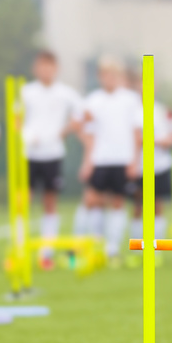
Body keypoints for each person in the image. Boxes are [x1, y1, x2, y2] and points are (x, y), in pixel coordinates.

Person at [21, 50, 84, 269]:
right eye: (41, 66)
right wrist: (25, 135)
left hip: (53, 153)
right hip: (28, 154)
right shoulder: (25, 91)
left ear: (56, 69)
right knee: (23, 201)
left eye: (49, 66)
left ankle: (45, 253)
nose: (45, 70)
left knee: (49, 202)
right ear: (35, 68)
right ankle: (20, 249)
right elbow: (15, 119)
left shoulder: (66, 93)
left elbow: (82, 115)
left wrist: (64, 131)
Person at [80, 56, 143, 267]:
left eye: (114, 75)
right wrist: (88, 161)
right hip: (100, 158)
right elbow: (88, 133)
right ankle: (92, 244)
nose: (110, 79)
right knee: (91, 200)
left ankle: (112, 249)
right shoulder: (92, 101)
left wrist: (134, 161)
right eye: (106, 74)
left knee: (118, 202)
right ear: (100, 77)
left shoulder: (130, 100)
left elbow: (137, 133)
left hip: (122, 158)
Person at [130, 85, 172, 263]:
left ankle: (155, 249)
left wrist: (170, 140)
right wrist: (157, 141)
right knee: (139, 205)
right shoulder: (134, 112)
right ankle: (138, 251)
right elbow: (137, 137)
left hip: (160, 165)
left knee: (157, 205)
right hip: (140, 166)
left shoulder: (163, 111)